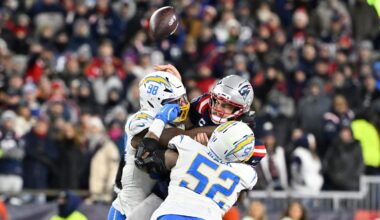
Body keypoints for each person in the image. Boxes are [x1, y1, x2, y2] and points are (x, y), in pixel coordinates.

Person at [139, 117, 258, 220]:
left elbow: (144, 158)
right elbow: (236, 201)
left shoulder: (188, 146)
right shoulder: (246, 174)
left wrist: (160, 119)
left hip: (170, 213)